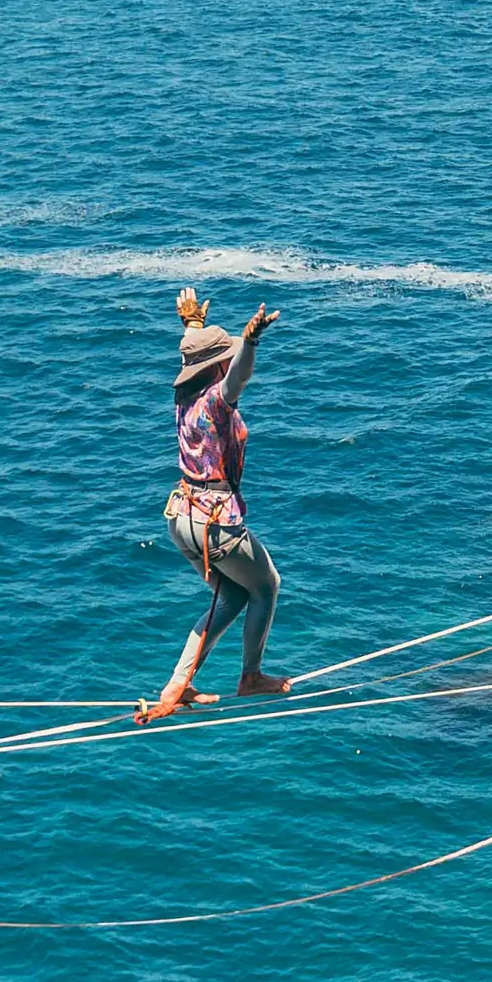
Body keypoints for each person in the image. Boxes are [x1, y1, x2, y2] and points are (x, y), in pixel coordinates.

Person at [139, 288, 284, 722]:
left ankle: (176, 687)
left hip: (181, 519)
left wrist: (192, 325)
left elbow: (197, 358)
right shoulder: (218, 401)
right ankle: (251, 676)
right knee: (267, 585)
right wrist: (252, 341)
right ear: (218, 367)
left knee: (234, 596)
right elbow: (237, 377)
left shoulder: (183, 397)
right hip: (215, 522)